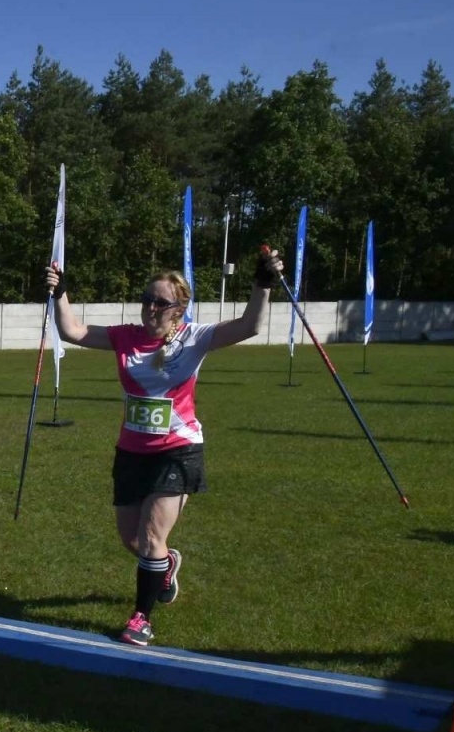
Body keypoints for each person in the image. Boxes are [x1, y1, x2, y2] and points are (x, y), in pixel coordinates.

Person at [46, 246, 283, 647]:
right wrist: (60, 292)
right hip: (131, 451)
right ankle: (167, 565)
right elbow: (73, 332)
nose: (150, 307)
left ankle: (141, 617)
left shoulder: (194, 338)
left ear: (179, 308)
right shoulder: (126, 338)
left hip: (178, 449)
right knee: (133, 540)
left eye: (159, 302)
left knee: (153, 535)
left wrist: (262, 284)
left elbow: (249, 326)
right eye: (146, 299)